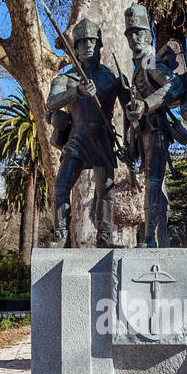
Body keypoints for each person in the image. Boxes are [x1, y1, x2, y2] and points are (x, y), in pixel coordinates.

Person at [46, 18, 128, 248]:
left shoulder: (109, 76)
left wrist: (128, 93)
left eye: (92, 41)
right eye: (82, 43)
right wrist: (77, 91)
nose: (88, 46)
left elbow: (129, 108)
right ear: (76, 48)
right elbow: (51, 102)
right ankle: (61, 235)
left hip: (103, 137)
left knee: (107, 190)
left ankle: (105, 236)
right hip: (78, 137)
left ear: (99, 45)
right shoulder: (66, 77)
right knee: (62, 186)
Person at [123, 3, 187, 248]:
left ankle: (150, 238)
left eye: (139, 33)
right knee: (154, 184)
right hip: (144, 132)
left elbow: (175, 86)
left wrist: (146, 105)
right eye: (131, 34)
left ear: (148, 36)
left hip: (156, 132)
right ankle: (160, 238)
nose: (135, 38)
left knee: (152, 182)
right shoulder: (138, 67)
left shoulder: (149, 62)